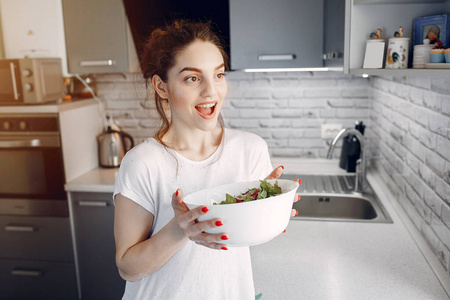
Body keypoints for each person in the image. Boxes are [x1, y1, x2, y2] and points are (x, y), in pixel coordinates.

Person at [113, 20, 299, 299]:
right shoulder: (143, 162)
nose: (211, 91)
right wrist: (180, 228)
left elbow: (247, 235)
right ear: (162, 87)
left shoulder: (250, 149)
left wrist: (271, 207)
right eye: (192, 78)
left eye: (219, 75)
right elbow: (128, 268)